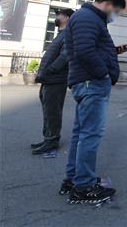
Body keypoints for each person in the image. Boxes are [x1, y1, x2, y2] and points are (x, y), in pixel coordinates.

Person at [62, 0, 127, 204]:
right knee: (90, 135)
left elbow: (93, 49)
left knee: (81, 134)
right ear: (108, 4)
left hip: (88, 82)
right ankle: (83, 186)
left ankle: (74, 179)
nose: (115, 15)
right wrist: (104, 74)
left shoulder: (90, 19)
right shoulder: (88, 17)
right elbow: (85, 51)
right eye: (116, 11)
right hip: (92, 83)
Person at [31, 8, 74, 155]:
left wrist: (49, 70)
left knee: (53, 112)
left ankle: (52, 141)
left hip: (55, 80)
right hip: (48, 80)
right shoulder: (60, 35)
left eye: (59, 15)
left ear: (67, 18)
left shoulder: (68, 34)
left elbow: (64, 57)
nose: (56, 17)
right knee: (48, 111)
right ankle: (47, 138)